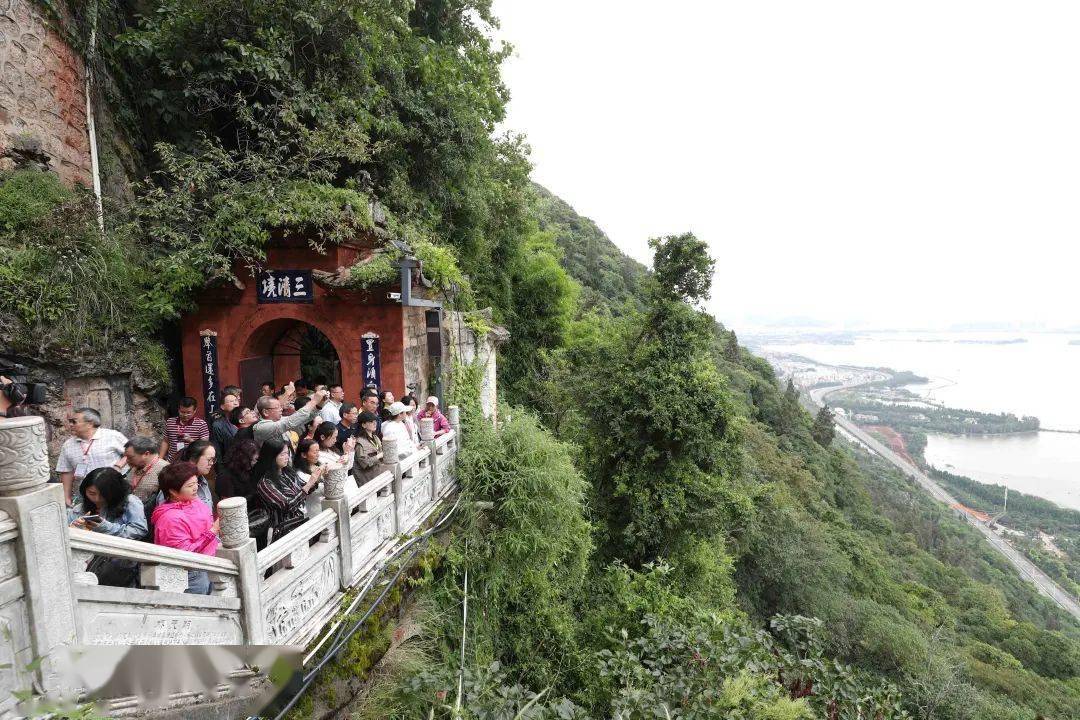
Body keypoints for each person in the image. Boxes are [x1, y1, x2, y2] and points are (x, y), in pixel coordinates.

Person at [69, 467, 147, 587]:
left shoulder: (130, 502)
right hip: (82, 566)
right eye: (92, 493)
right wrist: (74, 528)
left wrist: (105, 527)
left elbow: (138, 530)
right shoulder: (79, 509)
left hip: (115, 566)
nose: (97, 499)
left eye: (104, 495)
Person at [152, 462, 220, 594]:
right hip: (192, 572)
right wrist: (213, 531)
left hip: (210, 561)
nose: (195, 488)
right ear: (173, 491)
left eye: (196, 483)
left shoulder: (193, 500)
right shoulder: (170, 519)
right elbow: (184, 553)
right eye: (190, 485)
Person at [56, 407, 128, 508]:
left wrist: (118, 466)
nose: (71, 425)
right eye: (70, 422)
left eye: (74, 422)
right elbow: (67, 471)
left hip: (113, 490)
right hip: (87, 495)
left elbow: (130, 454)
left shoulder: (112, 436)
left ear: (90, 423)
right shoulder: (68, 445)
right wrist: (66, 496)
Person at [253, 438, 320, 541]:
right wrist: (309, 484)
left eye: (287, 453)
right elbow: (287, 505)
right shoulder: (265, 483)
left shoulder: (288, 472)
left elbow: (305, 489)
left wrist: (317, 477)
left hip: (299, 522)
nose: (287, 457)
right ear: (272, 457)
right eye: (282, 454)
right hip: (283, 530)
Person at [252, 384, 327, 451]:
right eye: (277, 407)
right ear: (265, 412)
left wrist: (319, 404)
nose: (281, 409)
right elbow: (289, 422)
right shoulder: (261, 427)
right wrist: (314, 401)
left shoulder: (279, 420)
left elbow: (303, 419)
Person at [162, 397, 209, 462]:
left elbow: (204, 446)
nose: (185, 415)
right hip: (172, 461)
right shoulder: (170, 422)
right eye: (182, 412)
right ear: (178, 410)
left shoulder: (201, 424)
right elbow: (165, 441)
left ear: (195, 411)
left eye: (188, 412)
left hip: (190, 463)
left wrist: (191, 440)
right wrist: (160, 459)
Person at [124, 436, 167, 503]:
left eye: (130, 457)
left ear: (146, 454)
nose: (127, 461)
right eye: (126, 457)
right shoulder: (135, 466)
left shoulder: (165, 469)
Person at [353, 411, 385, 485]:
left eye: (375, 421)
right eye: (371, 422)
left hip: (378, 474)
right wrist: (379, 456)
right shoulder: (359, 442)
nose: (375, 423)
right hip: (367, 480)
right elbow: (364, 463)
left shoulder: (376, 437)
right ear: (363, 425)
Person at [210, 390, 240, 458]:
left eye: (236, 400)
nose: (235, 403)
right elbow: (218, 450)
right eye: (231, 401)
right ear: (222, 406)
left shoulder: (245, 419)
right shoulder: (218, 425)